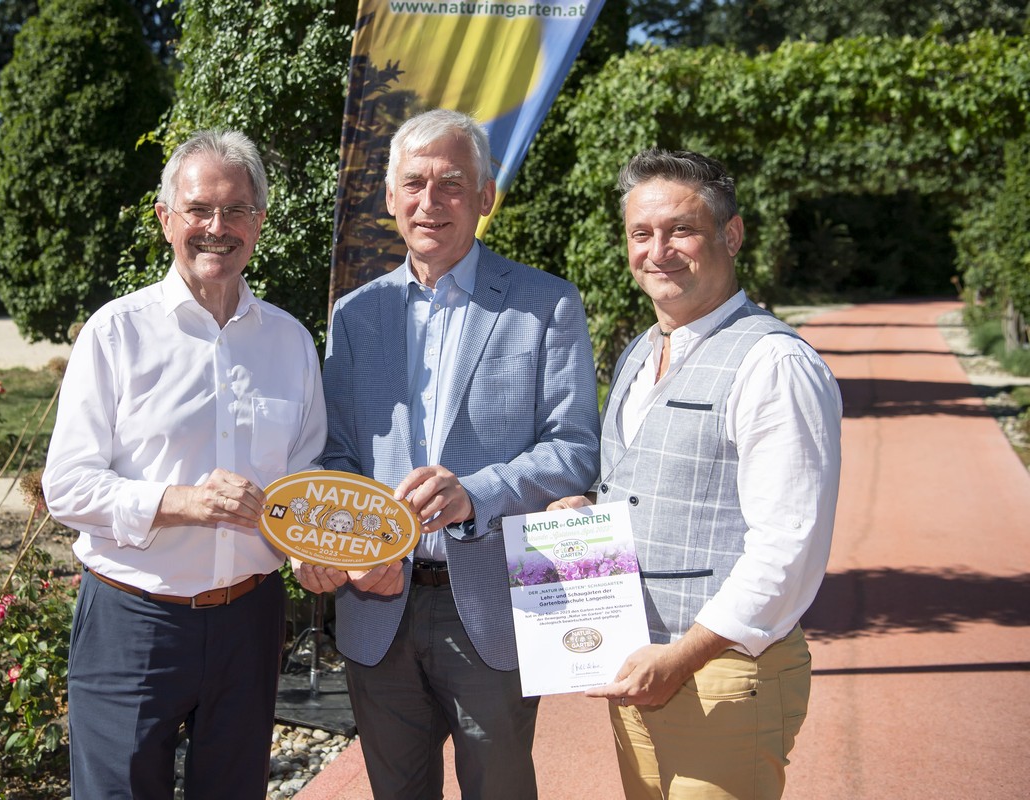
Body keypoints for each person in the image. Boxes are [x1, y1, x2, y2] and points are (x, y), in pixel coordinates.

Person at [294, 109, 600, 799]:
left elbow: (575, 447)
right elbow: (336, 455)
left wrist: (476, 493)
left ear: (486, 197)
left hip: (490, 605)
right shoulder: (355, 315)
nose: (431, 202)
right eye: (415, 183)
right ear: (390, 198)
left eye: (452, 184)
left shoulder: (545, 305)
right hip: (378, 605)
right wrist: (352, 547)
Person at [42, 129, 327, 800]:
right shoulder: (116, 333)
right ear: (166, 218)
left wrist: (320, 546)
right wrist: (180, 502)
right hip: (133, 623)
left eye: (235, 210)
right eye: (199, 209)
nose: (217, 228)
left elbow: (306, 476)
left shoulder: (290, 342)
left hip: (249, 626)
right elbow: (67, 486)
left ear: (260, 221)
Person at [551, 149, 842, 799]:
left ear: (730, 235)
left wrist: (680, 659)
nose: (658, 251)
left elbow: (787, 549)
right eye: (640, 234)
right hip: (636, 667)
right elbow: (642, 480)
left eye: (681, 230)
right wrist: (584, 513)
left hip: (720, 672)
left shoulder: (773, 364)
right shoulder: (639, 350)